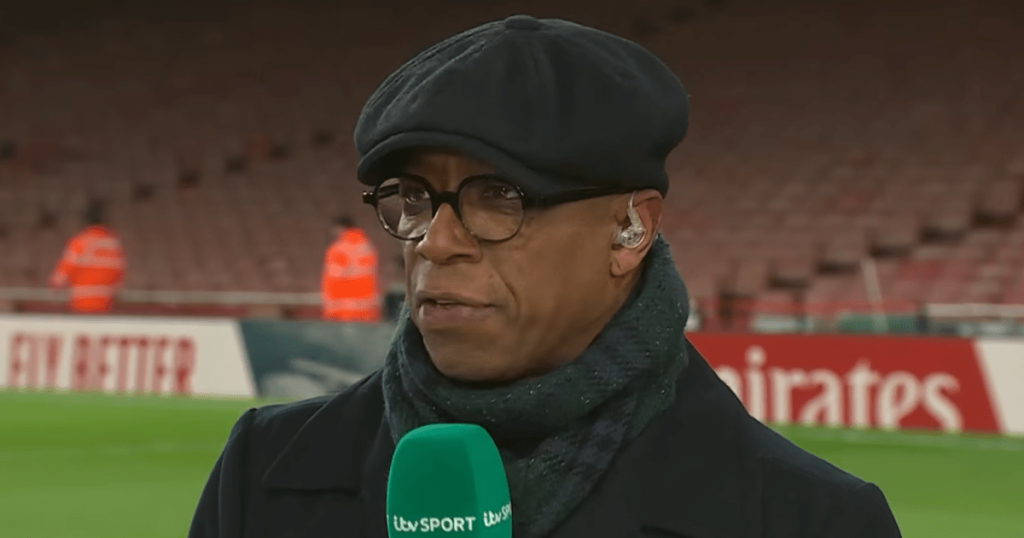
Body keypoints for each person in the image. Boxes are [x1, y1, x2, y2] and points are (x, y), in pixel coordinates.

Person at [189, 15, 902, 538]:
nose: (436, 242)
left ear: (630, 230)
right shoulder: (264, 474)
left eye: (499, 198)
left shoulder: (806, 519)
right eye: (413, 198)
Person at [48, 200, 125, 314]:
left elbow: (60, 276)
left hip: (81, 305)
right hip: (105, 306)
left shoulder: (81, 241)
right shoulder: (114, 244)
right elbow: (119, 277)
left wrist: (55, 288)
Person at [320, 215, 381, 322]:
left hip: (341, 312)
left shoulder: (338, 249)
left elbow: (333, 280)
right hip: (366, 311)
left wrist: (329, 308)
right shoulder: (367, 248)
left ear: (340, 228)